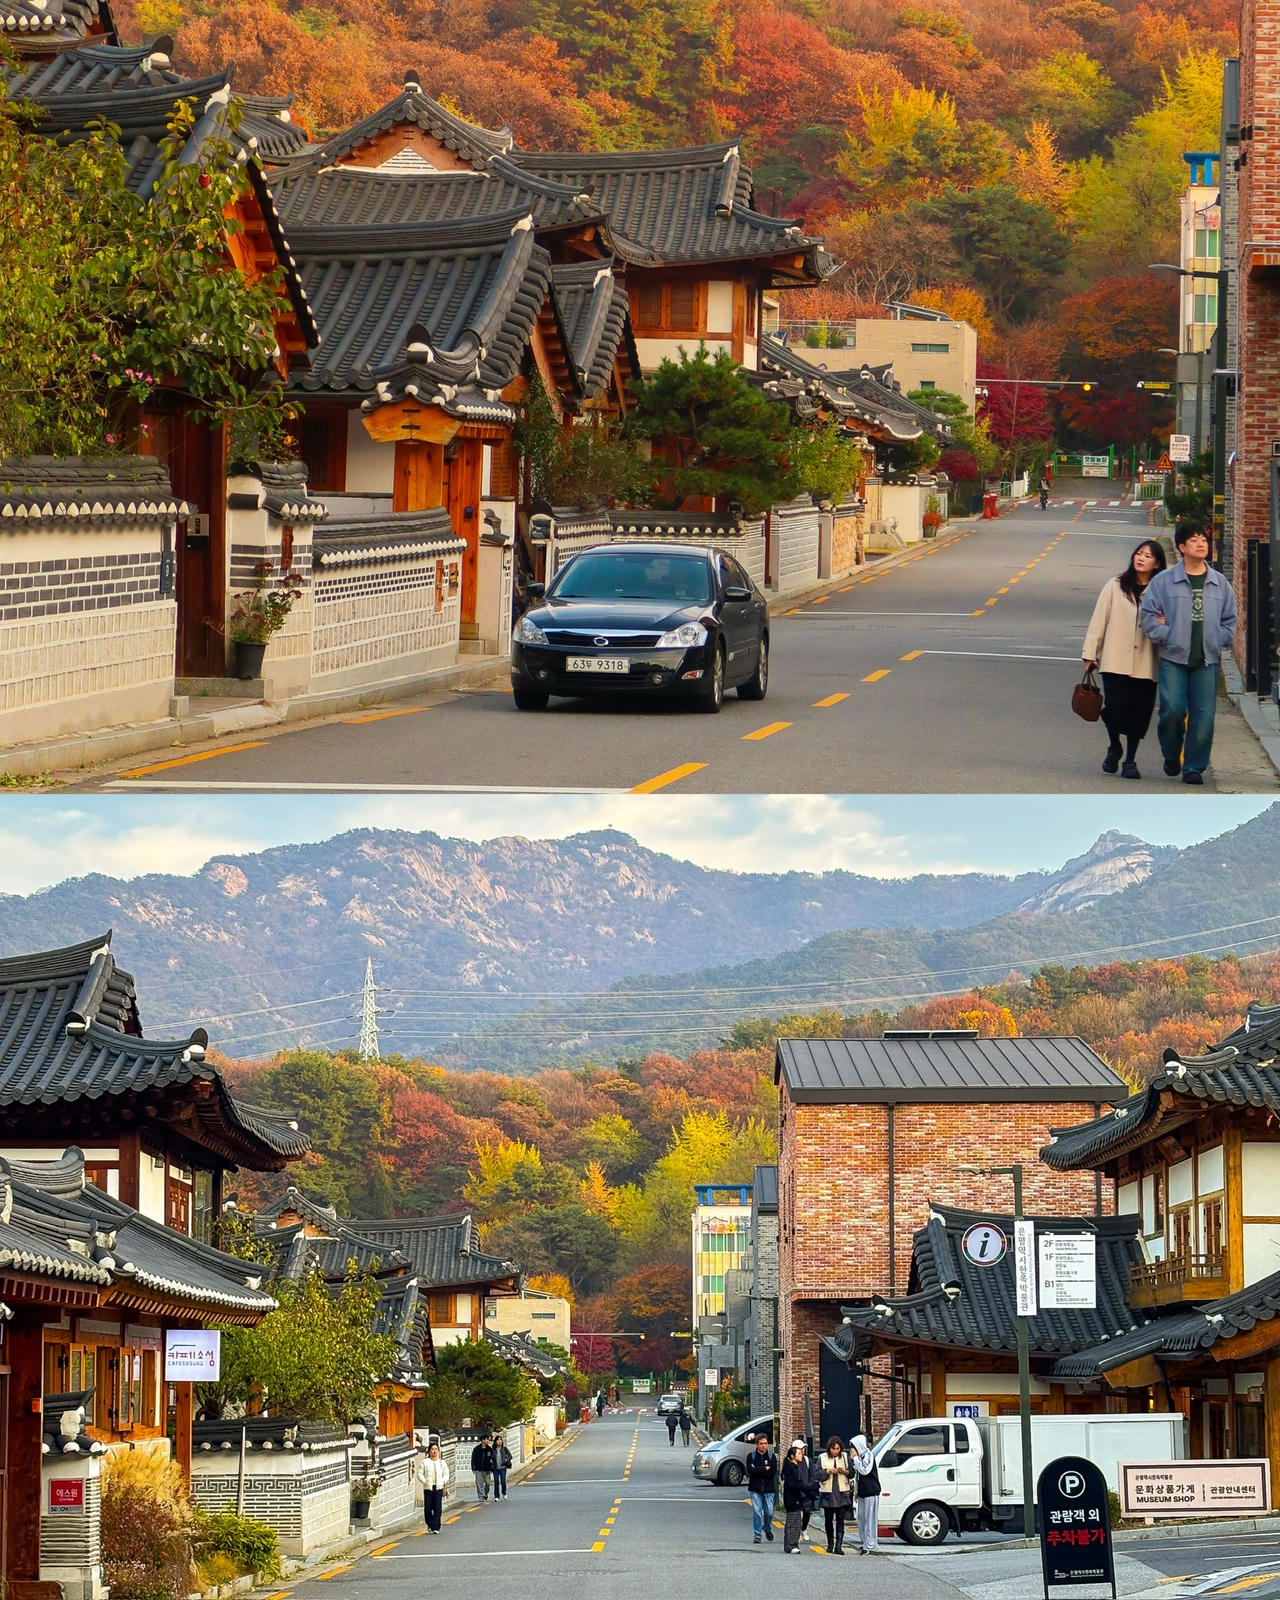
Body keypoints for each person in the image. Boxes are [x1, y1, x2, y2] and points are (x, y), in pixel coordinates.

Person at [1141, 522, 1238, 785]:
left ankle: (1194, 767)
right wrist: (1166, 636)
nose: (1201, 543)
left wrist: (1219, 640)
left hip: (1207, 660)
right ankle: (1172, 754)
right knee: (1172, 710)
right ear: (1182, 547)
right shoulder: (1164, 581)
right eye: (1194, 540)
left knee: (1204, 716)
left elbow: (1230, 619)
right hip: (1174, 657)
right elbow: (1148, 614)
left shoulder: (1219, 583)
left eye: (1203, 539)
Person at [1082, 537, 1167, 779]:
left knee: (1139, 712)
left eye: (1148, 555)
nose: (1141, 558)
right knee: (1114, 708)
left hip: (1146, 662)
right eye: (1139, 553)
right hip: (1115, 659)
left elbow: (1172, 620)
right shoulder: (1116, 585)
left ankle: (1130, 759)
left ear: (1158, 564)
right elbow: (1100, 619)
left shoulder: (1162, 591)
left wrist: (1166, 622)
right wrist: (1090, 653)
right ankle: (1114, 746)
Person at [818, 1435, 853, 1555]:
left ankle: (839, 1546)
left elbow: (852, 1473)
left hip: (842, 1491)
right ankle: (830, 1544)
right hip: (828, 1492)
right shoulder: (822, 1457)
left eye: (838, 1449)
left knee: (840, 1520)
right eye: (833, 1449)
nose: (835, 1451)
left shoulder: (845, 1457)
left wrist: (845, 1471)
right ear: (829, 1448)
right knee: (828, 1520)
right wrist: (828, 1471)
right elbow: (817, 1474)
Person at [745, 1434, 778, 1545]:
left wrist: (758, 1470)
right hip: (755, 1488)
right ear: (757, 1445)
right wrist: (764, 1468)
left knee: (769, 1512)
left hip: (769, 1489)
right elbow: (750, 1471)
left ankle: (767, 1528)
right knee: (757, 1512)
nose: (764, 1446)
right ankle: (757, 1535)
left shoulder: (771, 1456)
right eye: (761, 1444)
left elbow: (772, 1472)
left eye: (765, 1444)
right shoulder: (751, 1456)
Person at [852, 1433, 881, 1555]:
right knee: (862, 1518)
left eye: (853, 1447)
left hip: (871, 1492)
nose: (852, 1450)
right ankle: (864, 1542)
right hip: (863, 1493)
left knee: (870, 1519)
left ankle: (871, 1544)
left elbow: (865, 1470)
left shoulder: (869, 1456)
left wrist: (855, 1459)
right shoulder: (859, 1458)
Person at [781, 1442, 809, 1554]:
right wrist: (805, 1487)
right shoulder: (791, 1467)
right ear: (792, 1456)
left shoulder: (794, 1466)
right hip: (792, 1498)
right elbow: (793, 1484)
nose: (801, 1454)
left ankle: (791, 1544)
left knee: (795, 1521)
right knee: (793, 1522)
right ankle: (791, 1544)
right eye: (798, 1453)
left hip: (794, 1497)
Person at [416, 1441, 449, 1534]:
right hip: (428, 1488)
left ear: (438, 1451)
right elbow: (419, 1473)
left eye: (436, 1449)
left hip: (438, 1487)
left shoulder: (442, 1463)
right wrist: (424, 1481)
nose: (434, 1451)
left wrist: (443, 1481)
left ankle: (436, 1527)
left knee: (437, 1507)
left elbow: (446, 1474)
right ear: (429, 1451)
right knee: (428, 1508)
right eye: (432, 1449)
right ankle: (430, 1523)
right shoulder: (425, 1462)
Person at [470, 1434, 494, 1501]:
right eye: (486, 1439)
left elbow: (492, 1459)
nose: (488, 1441)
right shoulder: (476, 1449)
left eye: (488, 1439)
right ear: (483, 1440)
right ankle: (481, 1496)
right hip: (478, 1469)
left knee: (488, 1483)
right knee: (479, 1483)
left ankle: (485, 1493)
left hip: (487, 1470)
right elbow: (473, 1459)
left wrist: (491, 1468)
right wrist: (473, 1468)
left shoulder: (489, 1449)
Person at [492, 1433, 512, 1500]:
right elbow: (491, 1458)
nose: (499, 1441)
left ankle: (504, 1493)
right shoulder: (493, 1450)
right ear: (495, 1442)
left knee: (503, 1481)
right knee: (496, 1481)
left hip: (503, 1468)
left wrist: (506, 1460)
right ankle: (496, 1496)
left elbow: (510, 1456)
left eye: (501, 1440)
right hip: (495, 1468)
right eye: (498, 1440)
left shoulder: (504, 1449)